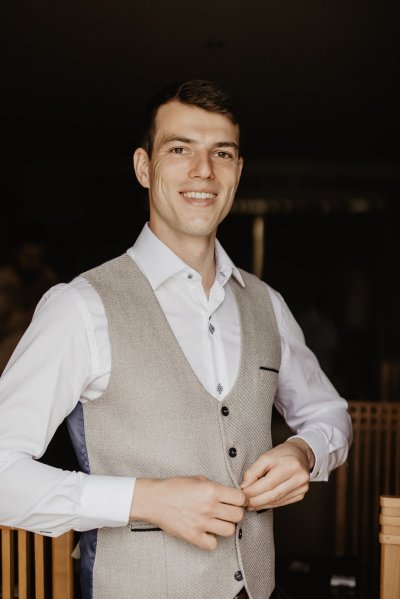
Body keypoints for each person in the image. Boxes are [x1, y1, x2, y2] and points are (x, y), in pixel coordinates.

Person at [0, 80, 352, 599]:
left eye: (222, 153)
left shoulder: (267, 304)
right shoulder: (80, 306)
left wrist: (303, 451)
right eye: (180, 149)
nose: (203, 171)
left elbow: (330, 413)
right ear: (144, 167)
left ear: (238, 170)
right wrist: (146, 500)